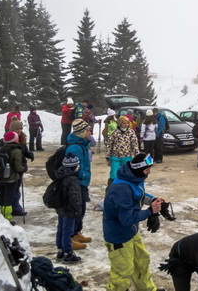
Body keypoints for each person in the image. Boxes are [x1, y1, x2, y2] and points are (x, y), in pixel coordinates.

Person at [103, 154, 165, 290]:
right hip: (119, 235)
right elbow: (127, 219)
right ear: (138, 169)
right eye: (146, 169)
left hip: (131, 231)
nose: (149, 172)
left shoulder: (134, 178)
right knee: (123, 270)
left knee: (142, 260)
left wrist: (153, 199)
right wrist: (150, 211)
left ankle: (147, 289)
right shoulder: (121, 189)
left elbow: (139, 194)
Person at [66, 119, 94, 249]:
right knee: (76, 209)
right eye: (88, 130)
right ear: (81, 132)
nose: (90, 132)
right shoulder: (75, 147)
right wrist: (83, 175)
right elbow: (75, 166)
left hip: (83, 181)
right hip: (77, 181)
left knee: (81, 208)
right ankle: (71, 237)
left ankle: (77, 232)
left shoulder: (83, 143)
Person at [54, 154, 83, 264]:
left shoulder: (60, 175)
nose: (78, 167)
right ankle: (67, 252)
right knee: (68, 231)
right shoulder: (72, 180)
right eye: (77, 165)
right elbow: (75, 196)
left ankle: (60, 250)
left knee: (61, 228)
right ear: (73, 167)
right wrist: (77, 209)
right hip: (69, 209)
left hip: (61, 207)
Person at [0, 132, 26, 220]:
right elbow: (18, 167)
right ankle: (7, 218)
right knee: (8, 200)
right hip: (11, 180)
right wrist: (24, 168)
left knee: (0, 199)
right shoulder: (16, 151)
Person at [106, 116, 139, 185]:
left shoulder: (131, 132)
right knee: (114, 174)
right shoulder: (115, 132)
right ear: (120, 124)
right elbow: (109, 144)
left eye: (127, 123)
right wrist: (108, 156)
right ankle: (112, 187)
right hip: (115, 156)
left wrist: (137, 156)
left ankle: (125, 187)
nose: (126, 125)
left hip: (127, 156)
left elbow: (134, 145)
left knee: (126, 174)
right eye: (124, 123)